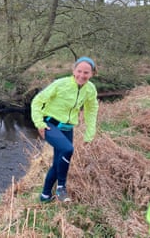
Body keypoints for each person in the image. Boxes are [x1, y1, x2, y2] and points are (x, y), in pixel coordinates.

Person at [30, 56, 99, 203]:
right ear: (73, 70)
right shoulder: (60, 84)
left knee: (58, 162)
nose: (82, 75)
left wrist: (89, 133)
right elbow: (37, 101)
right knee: (68, 150)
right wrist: (39, 123)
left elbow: (91, 110)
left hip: (68, 128)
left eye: (86, 72)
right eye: (79, 71)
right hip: (50, 125)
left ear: (92, 73)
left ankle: (45, 195)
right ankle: (61, 187)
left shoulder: (90, 89)